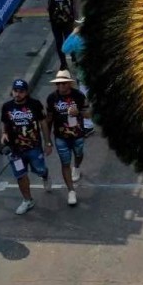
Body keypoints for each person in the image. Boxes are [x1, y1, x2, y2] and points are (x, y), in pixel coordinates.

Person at [1, 80, 50, 216]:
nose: (17, 94)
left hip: (33, 147)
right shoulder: (7, 107)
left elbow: (43, 123)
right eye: (15, 91)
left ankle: (45, 175)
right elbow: (4, 122)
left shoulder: (35, 104)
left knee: (39, 169)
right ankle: (27, 200)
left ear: (26, 92)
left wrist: (48, 143)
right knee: (20, 175)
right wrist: (4, 134)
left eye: (21, 91)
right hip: (15, 150)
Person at [45, 70, 88, 208]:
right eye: (58, 83)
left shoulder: (79, 96)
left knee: (79, 154)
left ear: (69, 83)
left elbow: (89, 114)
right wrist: (48, 140)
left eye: (64, 83)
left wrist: (79, 112)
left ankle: (77, 167)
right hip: (61, 136)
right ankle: (71, 191)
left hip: (78, 134)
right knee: (65, 162)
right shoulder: (51, 98)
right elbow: (49, 119)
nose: (61, 86)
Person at [36, 0, 78, 72]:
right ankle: (63, 64)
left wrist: (76, 14)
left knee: (70, 39)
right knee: (59, 42)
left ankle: (75, 58)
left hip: (68, 19)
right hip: (55, 20)